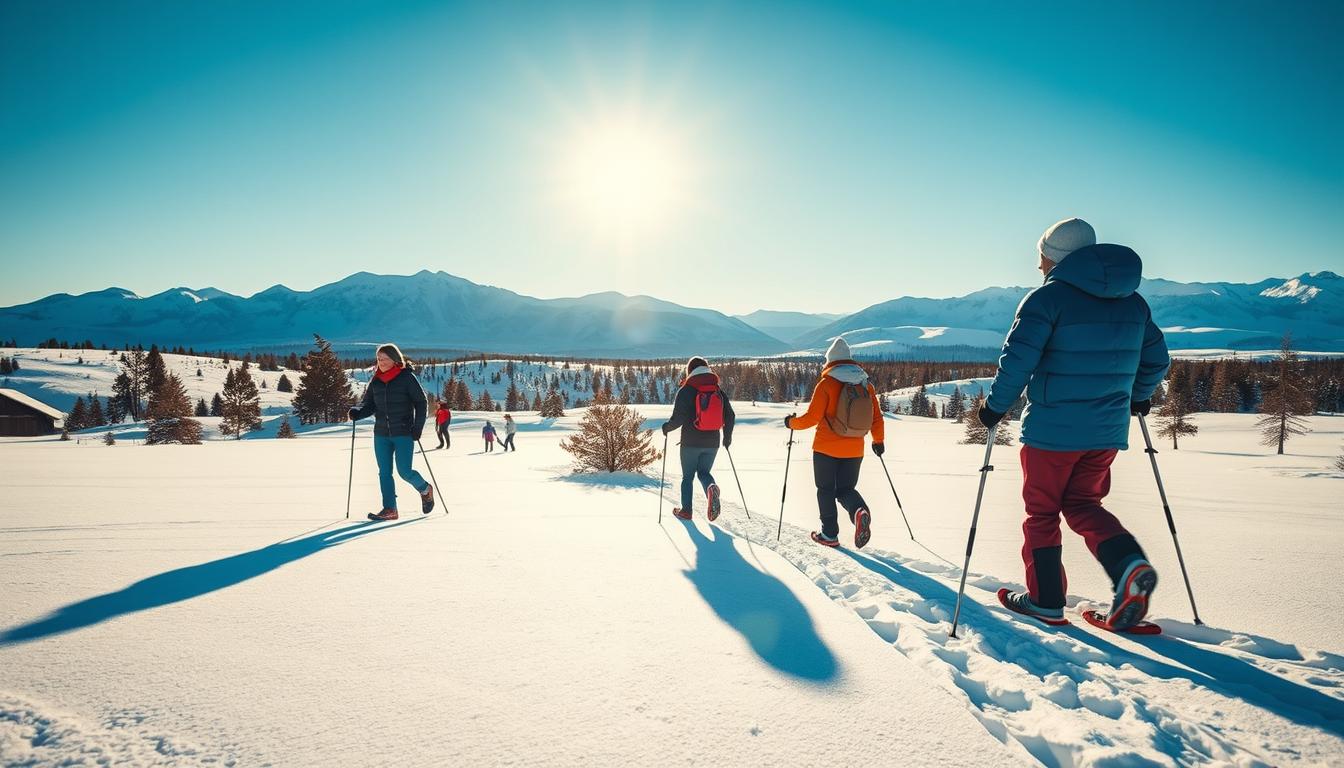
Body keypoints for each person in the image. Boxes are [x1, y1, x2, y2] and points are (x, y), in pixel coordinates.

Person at [979, 217, 1170, 632]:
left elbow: (1018, 361)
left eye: (1042, 255)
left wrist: (995, 408)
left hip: (1052, 431)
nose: (1039, 264)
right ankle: (1128, 568)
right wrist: (1137, 397)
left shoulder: (1047, 300)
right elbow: (1157, 360)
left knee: (1042, 512)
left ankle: (1046, 601)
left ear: (1056, 256)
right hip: (1105, 432)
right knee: (1084, 504)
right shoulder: (1133, 302)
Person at [786, 338, 884, 549]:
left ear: (830, 360)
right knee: (846, 488)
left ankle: (829, 534)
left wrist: (791, 423)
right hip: (855, 448)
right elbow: (876, 418)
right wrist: (878, 441)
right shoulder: (865, 384)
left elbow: (812, 418)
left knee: (826, 489)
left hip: (825, 449)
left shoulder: (827, 383)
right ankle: (859, 511)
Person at [349, 343, 435, 521]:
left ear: (395, 359)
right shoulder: (376, 380)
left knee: (404, 471)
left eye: (385, 359)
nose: (381, 362)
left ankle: (425, 489)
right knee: (384, 472)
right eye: (379, 359)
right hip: (381, 433)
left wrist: (418, 426)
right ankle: (390, 509)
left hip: (403, 432)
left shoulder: (406, 377)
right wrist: (358, 412)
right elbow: (369, 404)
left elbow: (421, 402)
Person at [661, 357, 736, 521]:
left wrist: (666, 427)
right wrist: (727, 438)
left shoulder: (686, 390)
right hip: (713, 442)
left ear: (690, 371)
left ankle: (686, 511)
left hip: (690, 443)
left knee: (687, 477)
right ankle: (711, 487)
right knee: (704, 472)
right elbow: (730, 415)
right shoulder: (717, 390)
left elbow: (678, 419)